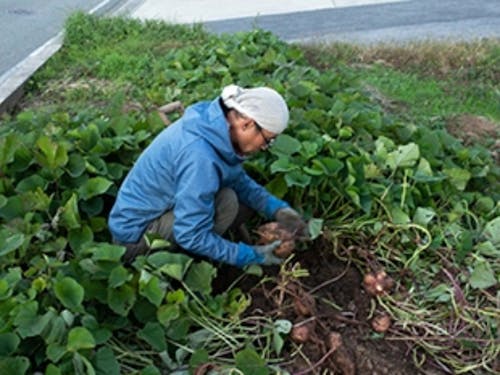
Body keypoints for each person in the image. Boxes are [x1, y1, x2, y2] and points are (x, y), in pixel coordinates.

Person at [108, 84, 307, 267]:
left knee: (231, 198)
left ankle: (206, 251)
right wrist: (249, 256)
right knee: (226, 202)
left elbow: (238, 180)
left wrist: (278, 209)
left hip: (156, 214)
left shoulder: (214, 127)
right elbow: (190, 234)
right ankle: (185, 265)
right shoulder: (199, 156)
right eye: (267, 140)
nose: (264, 148)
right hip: (134, 240)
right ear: (247, 124)